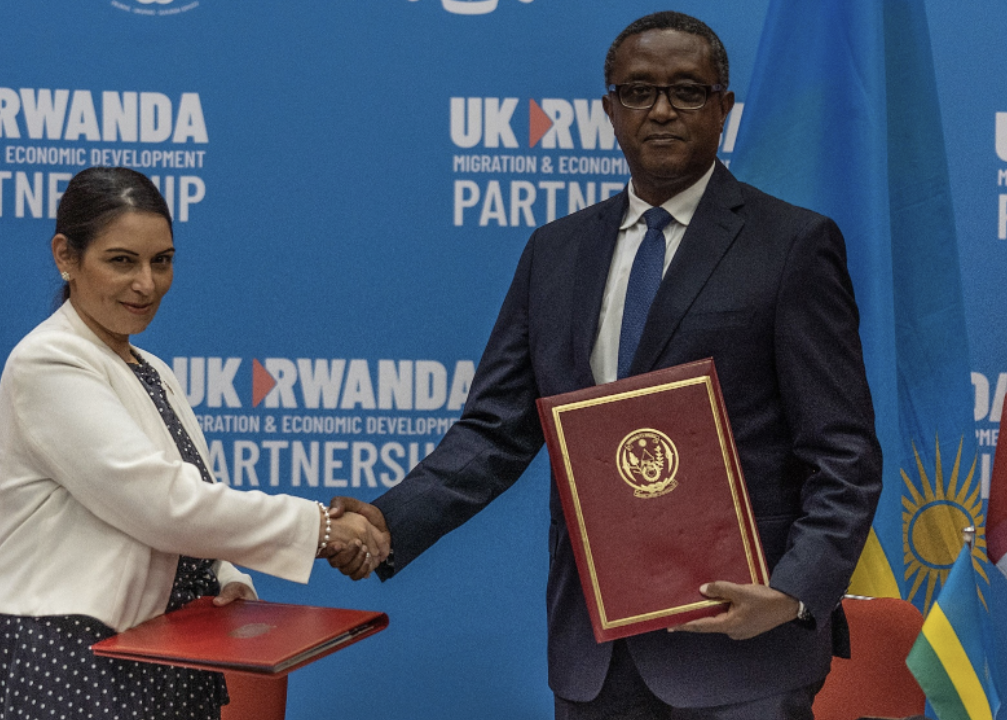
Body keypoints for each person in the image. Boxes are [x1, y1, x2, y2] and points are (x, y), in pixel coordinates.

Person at [328, 11, 882, 719]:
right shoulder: (554, 253)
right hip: (597, 650)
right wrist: (388, 521)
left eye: (687, 91)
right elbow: (495, 431)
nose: (660, 110)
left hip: (744, 647)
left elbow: (843, 451)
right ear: (608, 110)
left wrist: (791, 591)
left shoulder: (793, 246)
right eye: (636, 91)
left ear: (724, 108)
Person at [0, 166, 386, 720]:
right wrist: (322, 530)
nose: (146, 283)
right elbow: (161, 504)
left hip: (151, 656)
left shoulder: (150, 368)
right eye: (121, 260)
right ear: (65, 256)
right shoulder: (48, 360)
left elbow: (184, 510)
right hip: (55, 655)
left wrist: (222, 580)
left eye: (162, 261)